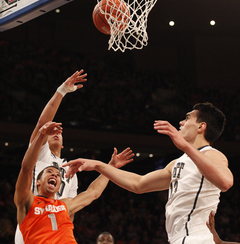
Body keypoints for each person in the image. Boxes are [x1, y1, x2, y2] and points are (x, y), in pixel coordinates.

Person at [63, 102, 234, 244]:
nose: (181, 122)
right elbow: (138, 184)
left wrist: (185, 146)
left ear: (201, 126)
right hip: (179, 238)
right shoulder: (178, 163)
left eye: (188, 117)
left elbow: (225, 182)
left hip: (197, 238)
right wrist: (100, 166)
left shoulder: (212, 154)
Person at [14, 121, 134, 244]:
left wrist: (111, 166)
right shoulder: (27, 201)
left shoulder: (65, 205)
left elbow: (93, 192)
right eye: (49, 171)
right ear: (38, 182)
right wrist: (41, 135)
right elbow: (26, 169)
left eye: (57, 175)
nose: (54, 174)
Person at [15, 70, 88, 244]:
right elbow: (42, 124)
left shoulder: (71, 170)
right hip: (33, 219)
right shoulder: (42, 153)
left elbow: (71, 209)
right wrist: (61, 91)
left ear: (63, 144)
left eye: (59, 132)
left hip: (56, 229)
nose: (55, 133)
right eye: (50, 133)